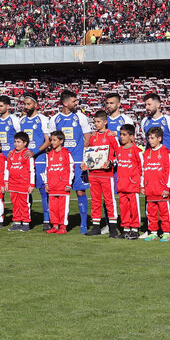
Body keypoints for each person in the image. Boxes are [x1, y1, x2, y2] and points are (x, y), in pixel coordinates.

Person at [141, 92, 170, 241]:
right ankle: (151, 229)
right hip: (152, 169)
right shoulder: (144, 122)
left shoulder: (169, 121)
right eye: (145, 105)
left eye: (149, 104)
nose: (146, 107)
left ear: (158, 104)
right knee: (150, 198)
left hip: (167, 168)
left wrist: (167, 161)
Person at [50, 90, 90, 233]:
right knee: (60, 194)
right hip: (61, 164)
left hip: (78, 161)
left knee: (80, 191)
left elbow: (87, 138)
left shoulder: (80, 117)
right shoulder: (54, 119)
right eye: (74, 101)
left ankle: (84, 224)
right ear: (65, 103)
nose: (76, 103)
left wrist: (82, 156)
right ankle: (60, 224)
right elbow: (53, 141)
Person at [84, 110, 119, 237]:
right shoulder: (93, 136)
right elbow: (88, 153)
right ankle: (96, 227)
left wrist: (112, 162)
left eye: (99, 122)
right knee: (95, 200)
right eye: (95, 122)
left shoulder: (111, 136)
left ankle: (113, 229)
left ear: (105, 122)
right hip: (93, 174)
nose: (96, 124)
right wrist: (85, 163)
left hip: (106, 174)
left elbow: (119, 153)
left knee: (109, 201)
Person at [142, 128, 170, 242]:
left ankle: (166, 233)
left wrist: (166, 188)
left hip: (161, 190)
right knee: (151, 213)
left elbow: (168, 172)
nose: (150, 140)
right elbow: (143, 171)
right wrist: (143, 186)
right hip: (150, 189)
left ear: (159, 139)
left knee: (164, 213)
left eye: (152, 138)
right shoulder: (146, 153)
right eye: (149, 138)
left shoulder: (166, 153)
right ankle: (153, 232)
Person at [114, 124, 143, 240]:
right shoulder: (119, 150)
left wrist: (140, 184)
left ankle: (135, 229)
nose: (122, 137)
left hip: (132, 185)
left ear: (132, 137)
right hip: (121, 185)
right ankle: (125, 229)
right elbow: (117, 163)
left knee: (134, 208)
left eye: (124, 135)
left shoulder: (137, 150)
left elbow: (142, 168)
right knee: (123, 208)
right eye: (120, 134)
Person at [44, 131, 73, 234]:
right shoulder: (50, 154)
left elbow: (70, 169)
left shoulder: (66, 153)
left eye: (54, 140)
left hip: (62, 186)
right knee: (53, 208)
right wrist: (47, 183)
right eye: (51, 140)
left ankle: (63, 226)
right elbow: (47, 169)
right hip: (52, 186)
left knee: (62, 208)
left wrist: (69, 183)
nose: (52, 142)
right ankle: (55, 225)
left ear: (61, 141)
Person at [6, 131, 33, 232]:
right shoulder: (11, 153)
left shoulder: (27, 154)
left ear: (25, 143)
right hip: (13, 184)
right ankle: (17, 222)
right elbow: (8, 168)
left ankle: (26, 223)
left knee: (24, 204)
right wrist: (6, 182)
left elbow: (31, 170)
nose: (16, 144)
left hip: (23, 184)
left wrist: (31, 184)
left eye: (18, 142)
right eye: (15, 142)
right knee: (15, 203)